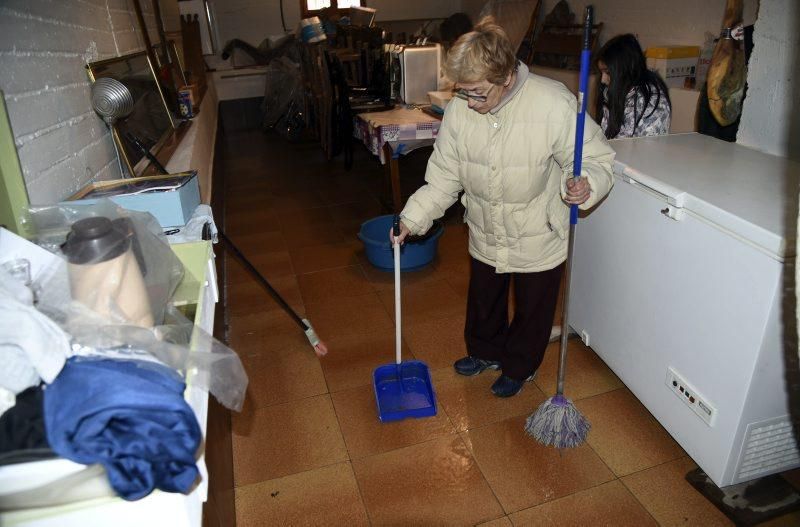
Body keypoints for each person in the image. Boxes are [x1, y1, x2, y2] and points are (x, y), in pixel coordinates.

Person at [390, 20, 615, 398]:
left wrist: (586, 182)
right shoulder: (462, 110)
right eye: (463, 93)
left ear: (507, 75)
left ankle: (520, 365)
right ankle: (485, 351)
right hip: (485, 225)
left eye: (477, 93)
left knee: (533, 308)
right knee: (484, 299)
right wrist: (412, 218)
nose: (469, 103)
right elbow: (445, 175)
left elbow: (595, 157)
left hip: (538, 230)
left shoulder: (553, 102)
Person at [594, 34, 671, 139]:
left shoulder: (652, 103)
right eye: (601, 72)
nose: (603, 80)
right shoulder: (612, 90)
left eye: (608, 72)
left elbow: (648, 151)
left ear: (625, 70)